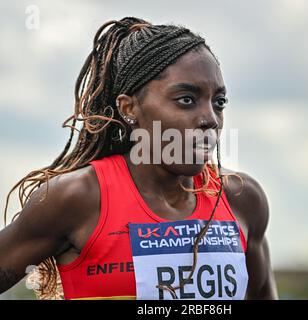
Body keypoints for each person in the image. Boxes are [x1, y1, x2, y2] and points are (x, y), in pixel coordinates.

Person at [0, 17, 278, 300]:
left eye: (218, 102)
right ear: (129, 107)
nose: (209, 119)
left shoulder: (242, 199)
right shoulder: (77, 198)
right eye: (186, 99)